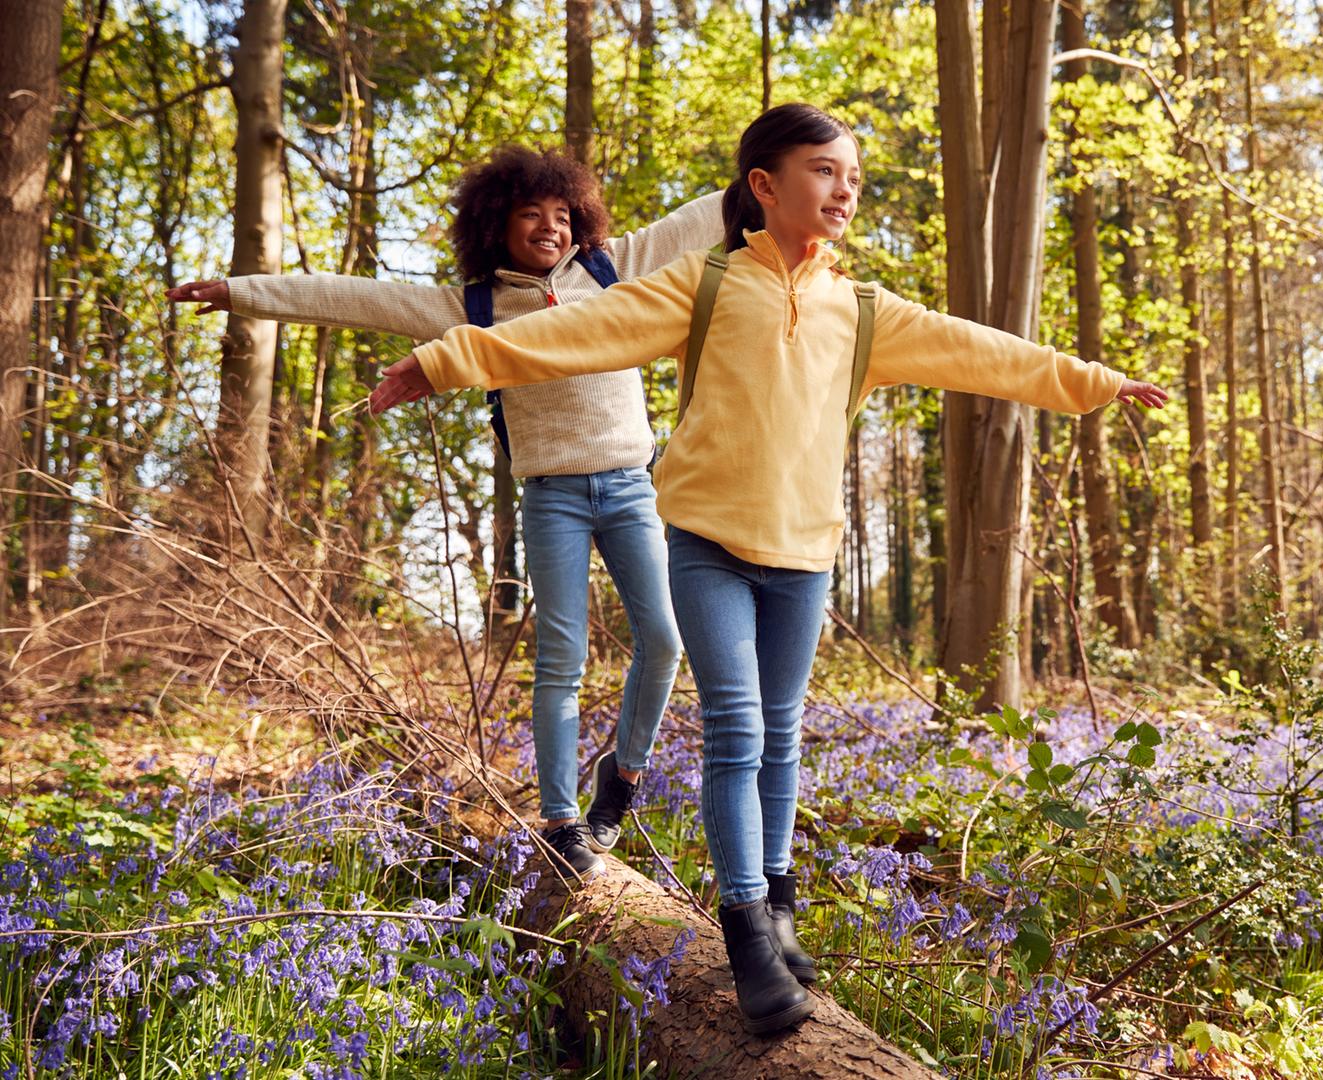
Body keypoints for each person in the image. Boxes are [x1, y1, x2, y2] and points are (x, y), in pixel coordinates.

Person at [370, 104, 1169, 1034]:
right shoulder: (701, 287)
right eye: (825, 172)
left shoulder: (863, 310)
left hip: (804, 556)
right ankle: (746, 927)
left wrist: (1091, 381)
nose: (844, 192)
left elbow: (977, 349)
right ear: (764, 185)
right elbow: (574, 332)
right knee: (738, 728)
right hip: (705, 543)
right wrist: (448, 360)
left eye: (854, 179)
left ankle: (780, 911)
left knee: (782, 737)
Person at [170, 145, 722, 881]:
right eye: (533, 216)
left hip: (630, 486)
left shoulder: (610, 269)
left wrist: (787, 170)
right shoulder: (473, 309)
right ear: (498, 225)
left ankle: (621, 779)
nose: (551, 229)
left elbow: (706, 215)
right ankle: (562, 822)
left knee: (663, 641)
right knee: (561, 660)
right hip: (552, 496)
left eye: (563, 215)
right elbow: (354, 297)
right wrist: (242, 291)